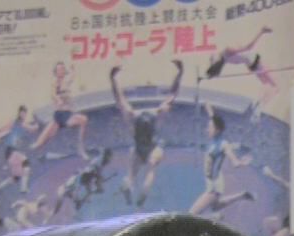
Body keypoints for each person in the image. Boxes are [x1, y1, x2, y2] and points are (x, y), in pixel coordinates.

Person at [110, 60, 184, 208]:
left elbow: (120, 99)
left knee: (131, 174)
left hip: (137, 149)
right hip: (152, 149)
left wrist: (113, 78)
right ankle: (143, 193)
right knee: (151, 170)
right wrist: (180, 73)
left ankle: (129, 183)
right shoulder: (157, 115)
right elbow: (172, 96)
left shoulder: (132, 116)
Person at [189, 106, 257, 218]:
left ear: (217, 130)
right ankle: (242, 195)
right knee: (216, 206)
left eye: (209, 127)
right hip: (211, 182)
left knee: (192, 215)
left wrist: (242, 162)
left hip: (215, 185)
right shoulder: (214, 138)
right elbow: (213, 119)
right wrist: (209, 110)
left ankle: (216, 217)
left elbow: (234, 162)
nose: (207, 130)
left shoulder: (223, 144)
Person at [31, 62, 90, 160]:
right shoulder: (56, 83)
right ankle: (80, 149)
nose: (61, 71)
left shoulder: (65, 82)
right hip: (62, 115)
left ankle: (80, 148)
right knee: (83, 120)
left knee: (45, 139)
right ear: (56, 72)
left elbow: (72, 77)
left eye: (63, 69)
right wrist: (58, 100)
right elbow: (53, 93)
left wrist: (73, 68)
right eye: (59, 69)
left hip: (66, 115)